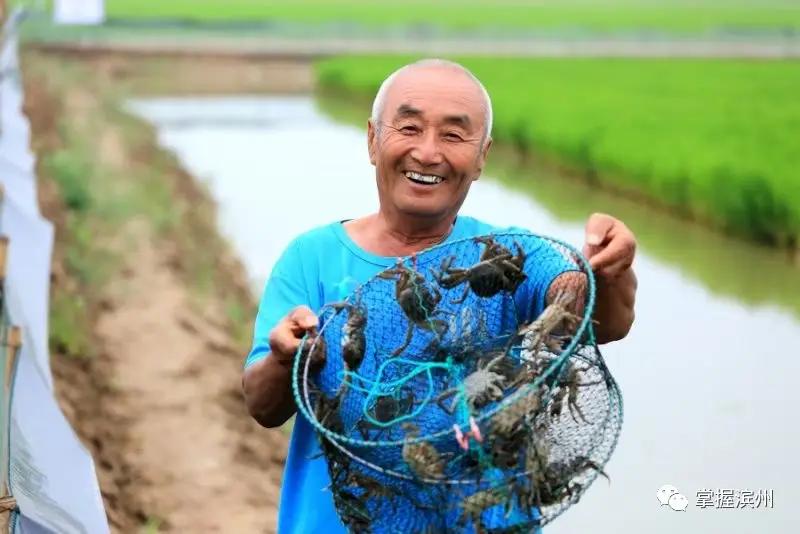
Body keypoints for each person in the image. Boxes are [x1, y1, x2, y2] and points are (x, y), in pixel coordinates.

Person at [242, 58, 638, 533]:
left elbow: (597, 321)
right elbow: (263, 407)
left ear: (482, 156)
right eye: (409, 127)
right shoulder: (312, 258)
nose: (428, 153)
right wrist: (287, 357)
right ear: (373, 140)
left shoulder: (509, 256)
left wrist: (606, 270)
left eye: (453, 135)